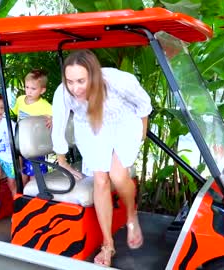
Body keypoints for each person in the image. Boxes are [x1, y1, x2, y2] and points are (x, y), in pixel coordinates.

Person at [51, 50, 152, 266]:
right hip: (90, 127)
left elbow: (143, 104)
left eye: (81, 81)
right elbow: (58, 128)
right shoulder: (63, 93)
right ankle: (108, 245)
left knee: (117, 173)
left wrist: (141, 134)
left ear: (93, 75)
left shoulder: (118, 81)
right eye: (70, 81)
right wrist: (63, 162)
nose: (75, 88)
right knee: (101, 179)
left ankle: (131, 214)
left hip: (123, 123)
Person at [12, 69, 52, 185]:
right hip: (20, 142)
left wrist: (52, 119)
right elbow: (14, 113)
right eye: (27, 87)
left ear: (42, 90)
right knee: (22, 170)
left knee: (35, 173)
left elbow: (57, 116)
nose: (29, 91)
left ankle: (35, 193)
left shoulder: (45, 106)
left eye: (33, 89)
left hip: (35, 145)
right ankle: (23, 194)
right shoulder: (20, 100)